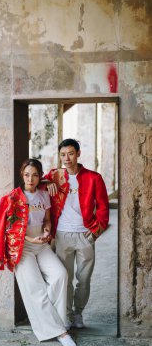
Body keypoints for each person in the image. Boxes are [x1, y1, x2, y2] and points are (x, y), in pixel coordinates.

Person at [0, 158, 77, 346]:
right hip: (22, 248)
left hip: (41, 244)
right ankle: (60, 332)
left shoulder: (43, 195)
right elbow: (9, 229)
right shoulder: (13, 198)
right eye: (27, 174)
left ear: (40, 177)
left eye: (35, 175)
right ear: (22, 176)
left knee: (60, 276)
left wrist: (47, 230)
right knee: (36, 288)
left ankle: (50, 321)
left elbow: (47, 219)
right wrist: (30, 239)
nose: (31, 178)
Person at [44, 139, 109, 329]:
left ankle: (78, 313)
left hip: (85, 235)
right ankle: (67, 314)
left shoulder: (93, 178)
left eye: (71, 153)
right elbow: (35, 182)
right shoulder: (55, 176)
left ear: (78, 154)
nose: (67, 158)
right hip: (62, 235)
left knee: (84, 279)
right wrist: (46, 183)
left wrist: (96, 231)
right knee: (65, 278)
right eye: (63, 155)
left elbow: (103, 207)